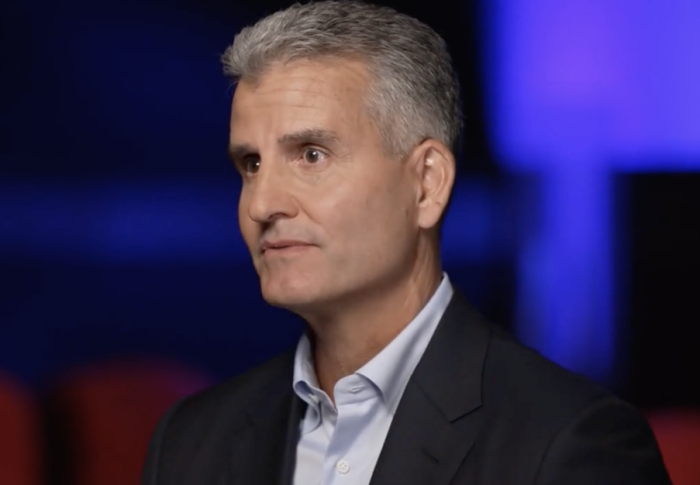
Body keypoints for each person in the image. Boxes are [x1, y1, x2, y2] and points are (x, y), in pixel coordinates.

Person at [142, 2, 671, 484]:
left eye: (311, 155)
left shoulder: (569, 443)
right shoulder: (191, 442)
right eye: (251, 164)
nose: (261, 204)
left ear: (427, 183)